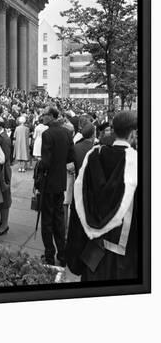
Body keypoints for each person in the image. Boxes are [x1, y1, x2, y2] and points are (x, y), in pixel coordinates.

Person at [66, 111, 138, 281]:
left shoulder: (93, 155)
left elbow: (79, 201)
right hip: (124, 256)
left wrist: (76, 246)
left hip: (93, 250)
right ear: (133, 133)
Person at [38, 106, 75, 266]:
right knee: (59, 220)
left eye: (44, 115)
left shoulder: (47, 134)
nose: (42, 117)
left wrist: (40, 165)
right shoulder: (67, 133)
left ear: (51, 116)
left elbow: (45, 162)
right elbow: (70, 157)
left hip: (49, 182)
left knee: (47, 220)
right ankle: (62, 254)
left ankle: (49, 254)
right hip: (60, 182)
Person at [0, 114, 12, 236]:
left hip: (3, 172)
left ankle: (4, 225)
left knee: (5, 199)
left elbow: (4, 159)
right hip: (0, 171)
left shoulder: (4, 139)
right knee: (1, 198)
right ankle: (2, 221)